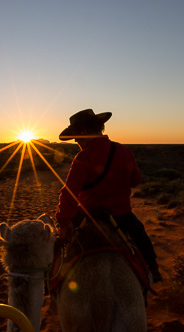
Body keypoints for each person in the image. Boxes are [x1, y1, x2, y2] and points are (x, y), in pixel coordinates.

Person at [55, 108, 162, 282]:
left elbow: (68, 195)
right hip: (121, 217)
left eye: (75, 135)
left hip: (87, 218)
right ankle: (153, 270)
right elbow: (135, 180)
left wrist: (64, 222)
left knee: (57, 248)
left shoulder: (83, 157)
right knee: (140, 235)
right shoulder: (124, 151)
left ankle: (52, 287)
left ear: (83, 131)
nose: (74, 140)